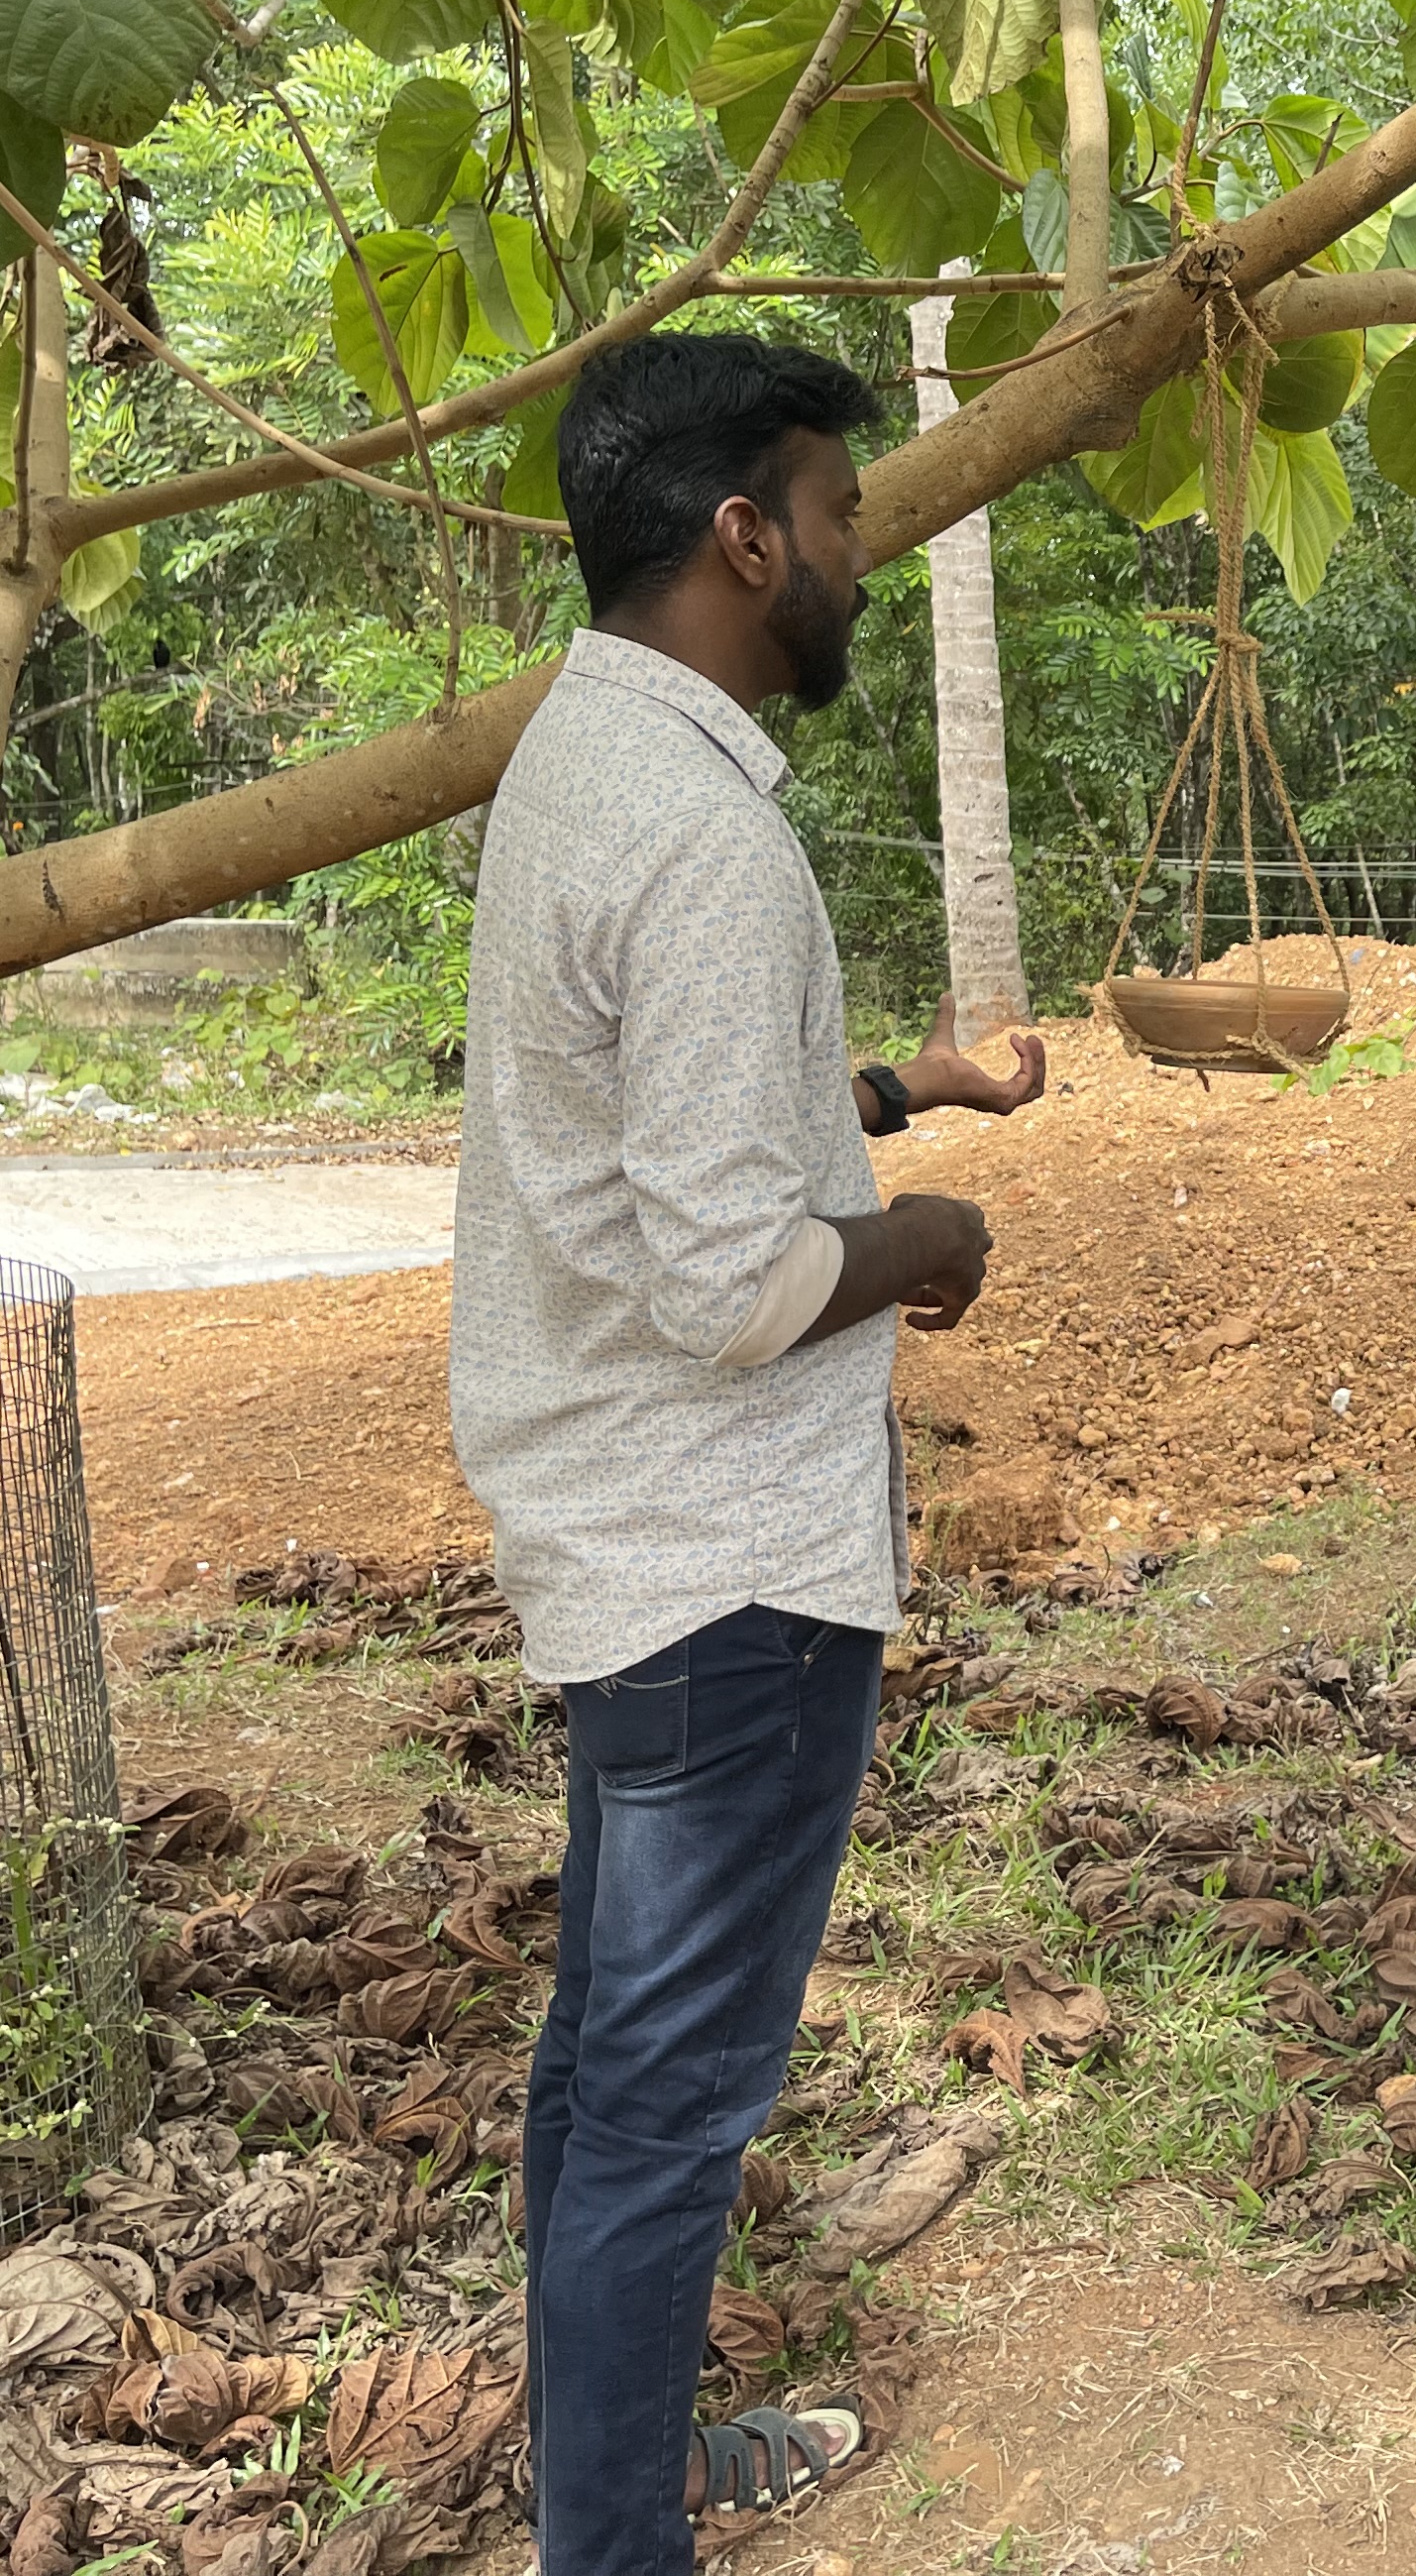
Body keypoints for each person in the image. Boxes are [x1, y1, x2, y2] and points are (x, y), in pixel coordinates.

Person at [449, 333, 1036, 2576]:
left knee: (606, 2062)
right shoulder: (698, 833)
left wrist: (890, 1101)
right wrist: (925, 1237)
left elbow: (672, 1136)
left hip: (623, 1542)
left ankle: (615, 2473)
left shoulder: (581, 760)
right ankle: (615, 2541)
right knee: (667, 2106)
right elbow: (727, 1275)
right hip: (725, 1574)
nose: (863, 558)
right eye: (844, 513)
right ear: (742, 535)